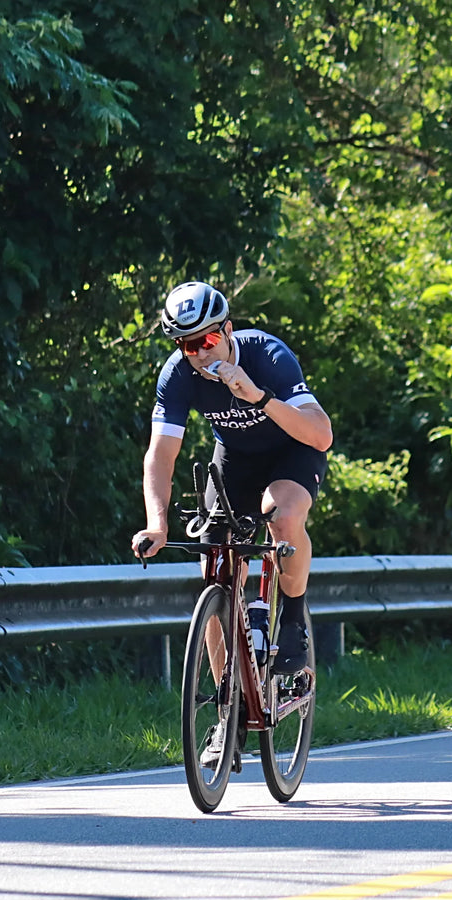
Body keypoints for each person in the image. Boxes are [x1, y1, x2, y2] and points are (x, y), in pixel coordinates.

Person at [131, 281, 333, 674]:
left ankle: (292, 621)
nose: (202, 352)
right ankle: (227, 703)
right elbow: (160, 455)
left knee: (283, 515)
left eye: (208, 339)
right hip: (236, 457)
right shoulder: (177, 376)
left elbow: (321, 435)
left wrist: (258, 396)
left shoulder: (267, 354)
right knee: (214, 567)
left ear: (227, 329)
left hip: (291, 449)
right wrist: (156, 524)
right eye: (190, 346)